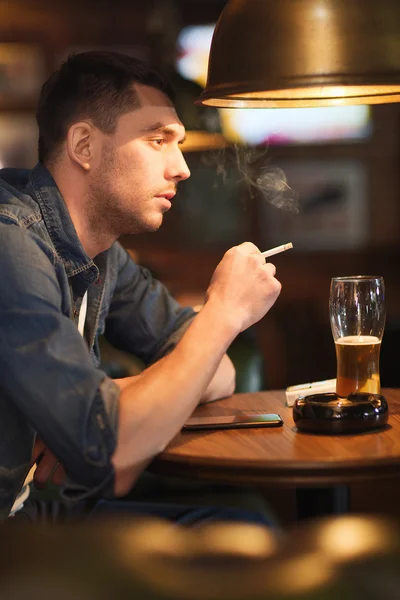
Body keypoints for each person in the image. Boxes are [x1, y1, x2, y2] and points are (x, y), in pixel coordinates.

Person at [0, 51, 281, 524]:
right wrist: (225, 311)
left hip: (25, 514)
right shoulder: (11, 243)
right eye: (157, 140)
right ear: (84, 146)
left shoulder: (103, 252)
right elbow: (112, 457)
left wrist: (105, 398)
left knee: (239, 530)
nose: (182, 168)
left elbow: (222, 372)